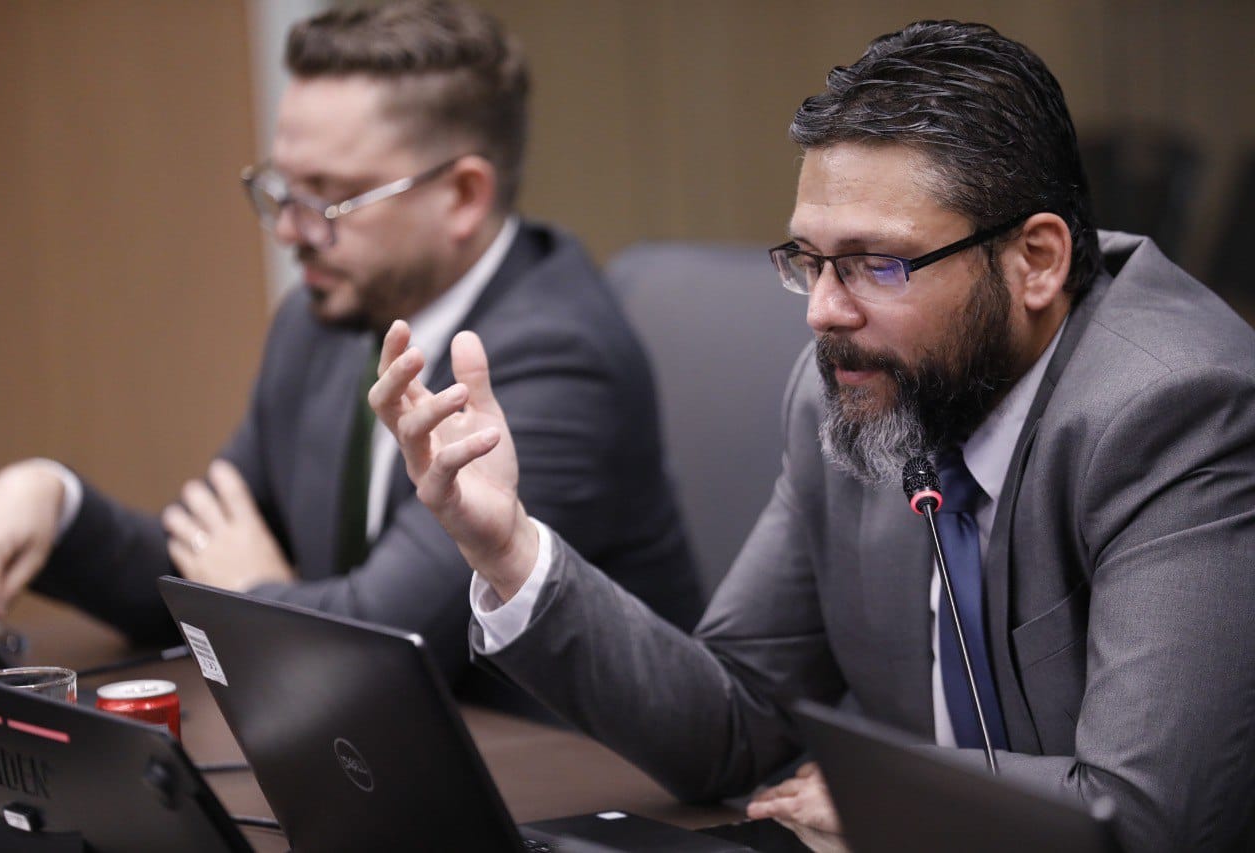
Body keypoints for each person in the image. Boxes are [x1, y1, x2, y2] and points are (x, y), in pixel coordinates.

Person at [371, 20, 1255, 852]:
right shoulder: (859, 389)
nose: (824, 313)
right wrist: (509, 550)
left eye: (878, 264)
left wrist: (895, 803)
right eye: (811, 261)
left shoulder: (1174, 409)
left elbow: (1148, 813)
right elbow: (733, 726)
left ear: (1037, 260)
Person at [0, 0, 700, 685]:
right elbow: (203, 561)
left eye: (327, 197)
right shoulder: (323, 319)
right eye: (283, 189)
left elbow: (388, 643)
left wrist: (252, 592)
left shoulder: (558, 360)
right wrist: (51, 502)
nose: (290, 231)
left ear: (463, 196)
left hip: (558, 766)